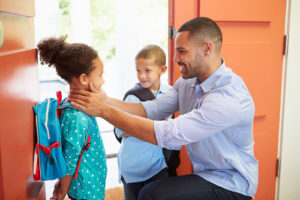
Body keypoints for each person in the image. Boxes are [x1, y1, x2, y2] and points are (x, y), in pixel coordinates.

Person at [69, 17, 258, 200]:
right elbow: (153, 109)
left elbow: (170, 134)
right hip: (205, 175)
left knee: (152, 194)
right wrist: (106, 100)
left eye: (182, 51)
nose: (176, 58)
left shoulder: (228, 96)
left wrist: (103, 111)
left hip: (232, 183)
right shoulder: (188, 83)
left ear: (207, 48)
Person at [37, 36, 107, 200]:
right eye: (100, 75)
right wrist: (62, 190)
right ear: (84, 79)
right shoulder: (76, 117)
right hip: (86, 189)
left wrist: (61, 183)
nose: (103, 80)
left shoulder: (76, 107)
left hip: (90, 183)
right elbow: (69, 161)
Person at [114, 44, 179, 200]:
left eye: (147, 70)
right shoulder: (132, 97)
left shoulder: (171, 94)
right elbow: (119, 131)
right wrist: (150, 125)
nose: (142, 76)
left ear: (162, 70)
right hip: (132, 167)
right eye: (138, 70)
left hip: (158, 165)